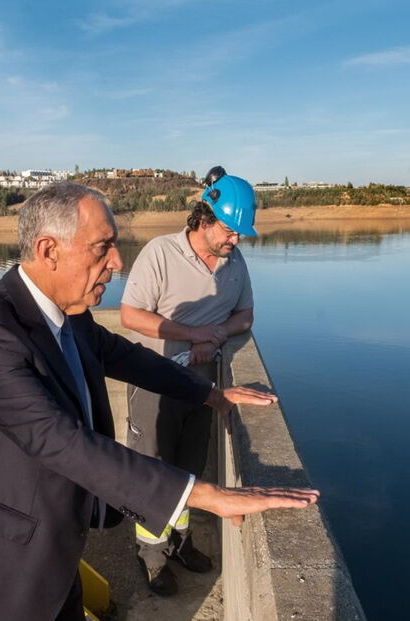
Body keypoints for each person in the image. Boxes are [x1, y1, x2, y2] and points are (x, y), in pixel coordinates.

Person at [0, 182, 318, 620]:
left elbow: (128, 357)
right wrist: (208, 495)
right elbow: (60, 440)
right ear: (49, 250)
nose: (117, 262)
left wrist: (211, 394)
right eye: (102, 247)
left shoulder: (68, 315)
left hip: (54, 551)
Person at [120, 166, 258, 595]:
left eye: (239, 234)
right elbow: (131, 315)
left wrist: (214, 335)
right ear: (204, 218)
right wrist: (192, 334)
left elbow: (245, 316)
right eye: (230, 231)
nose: (236, 240)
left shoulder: (235, 262)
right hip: (156, 380)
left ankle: (181, 542)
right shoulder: (160, 253)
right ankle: (151, 555)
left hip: (203, 383)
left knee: (189, 467)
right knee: (153, 467)